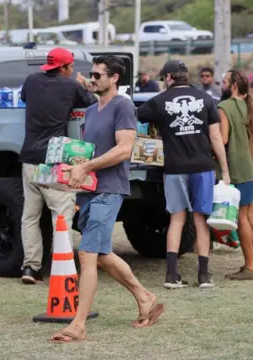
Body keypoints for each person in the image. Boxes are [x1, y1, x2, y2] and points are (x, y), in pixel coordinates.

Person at [48, 55, 164, 343]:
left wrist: (85, 167)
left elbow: (125, 149)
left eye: (99, 75)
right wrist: (72, 174)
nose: (93, 78)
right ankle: (145, 297)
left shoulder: (122, 105)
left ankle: (78, 325)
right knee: (101, 255)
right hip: (90, 192)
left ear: (114, 78)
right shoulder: (90, 110)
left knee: (87, 255)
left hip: (110, 190)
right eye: (92, 74)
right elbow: (89, 152)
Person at [136, 59, 230, 289]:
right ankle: (204, 276)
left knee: (176, 219)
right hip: (203, 166)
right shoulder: (207, 99)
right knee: (201, 219)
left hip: (174, 167)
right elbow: (216, 138)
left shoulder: (159, 101)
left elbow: (137, 117)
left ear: (168, 78)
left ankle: (171, 276)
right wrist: (225, 170)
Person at [18, 47, 98, 284]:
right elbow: (91, 102)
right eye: (70, 66)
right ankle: (60, 268)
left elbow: (24, 97)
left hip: (29, 157)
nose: (72, 70)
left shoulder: (31, 81)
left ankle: (30, 268)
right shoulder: (70, 85)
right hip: (54, 160)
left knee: (30, 216)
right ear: (63, 67)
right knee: (61, 217)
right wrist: (83, 83)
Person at [218, 70, 253, 280]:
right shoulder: (252, 107)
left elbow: (223, 139)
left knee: (242, 217)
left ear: (233, 86)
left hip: (240, 169)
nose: (221, 85)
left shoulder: (224, 107)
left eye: (224, 82)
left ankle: (249, 267)